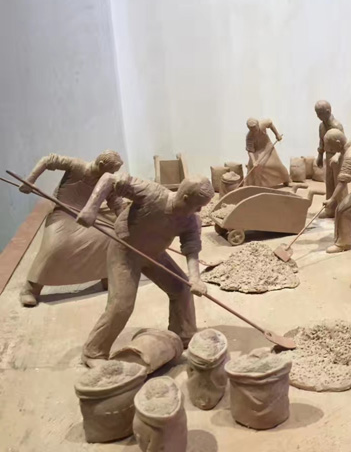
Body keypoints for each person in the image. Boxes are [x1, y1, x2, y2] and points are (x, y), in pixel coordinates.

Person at [76, 174, 214, 367]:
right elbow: (109, 179)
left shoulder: (190, 220)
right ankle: (94, 352)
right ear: (185, 198)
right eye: (198, 205)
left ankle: (183, 335)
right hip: (125, 252)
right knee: (121, 305)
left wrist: (195, 278)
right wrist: (91, 208)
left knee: (181, 289)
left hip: (154, 254)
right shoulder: (152, 194)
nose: (199, 210)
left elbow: (191, 249)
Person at [17, 151, 124, 307]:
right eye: (111, 170)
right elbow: (47, 160)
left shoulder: (105, 181)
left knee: (110, 237)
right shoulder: (77, 166)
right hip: (62, 213)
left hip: (85, 216)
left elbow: (116, 202)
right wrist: (30, 180)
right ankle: (30, 289)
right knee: (56, 246)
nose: (112, 174)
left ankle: (107, 278)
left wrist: (124, 222)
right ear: (101, 165)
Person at [315, 100, 345, 218]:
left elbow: (344, 144)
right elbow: (321, 142)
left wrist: (338, 155)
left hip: (337, 157)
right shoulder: (321, 126)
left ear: (327, 112)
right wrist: (320, 155)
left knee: (339, 183)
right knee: (329, 183)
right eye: (317, 113)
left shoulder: (337, 126)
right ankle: (330, 210)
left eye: (319, 113)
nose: (317, 116)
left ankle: (342, 210)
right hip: (328, 156)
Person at [244, 118, 290, 187]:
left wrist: (277, 134)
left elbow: (270, 124)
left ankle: (285, 179)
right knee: (255, 166)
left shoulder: (262, 124)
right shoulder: (249, 137)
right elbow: (250, 151)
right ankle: (257, 185)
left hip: (267, 146)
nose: (254, 131)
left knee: (276, 165)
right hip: (257, 150)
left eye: (255, 129)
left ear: (258, 125)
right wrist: (254, 161)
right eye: (252, 130)